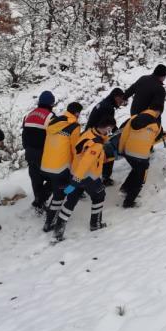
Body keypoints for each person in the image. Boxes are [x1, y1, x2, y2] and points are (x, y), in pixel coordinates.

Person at [46, 120, 115, 241]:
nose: (110, 132)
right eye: (110, 129)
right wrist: (78, 178)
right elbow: (86, 162)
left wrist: (74, 179)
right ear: (107, 127)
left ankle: (58, 231)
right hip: (87, 177)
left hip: (74, 173)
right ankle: (95, 224)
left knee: (71, 200)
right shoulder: (97, 144)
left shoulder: (88, 133)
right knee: (99, 195)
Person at [120, 98, 166, 208]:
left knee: (136, 168)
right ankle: (128, 202)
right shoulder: (157, 125)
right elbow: (152, 141)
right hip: (141, 156)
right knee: (141, 178)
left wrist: (121, 150)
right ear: (158, 112)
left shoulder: (134, 118)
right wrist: (165, 137)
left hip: (128, 152)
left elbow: (124, 135)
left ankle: (125, 188)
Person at [40, 102, 84, 232]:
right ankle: (49, 223)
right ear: (76, 113)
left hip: (46, 164)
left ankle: (49, 212)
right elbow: (75, 149)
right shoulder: (74, 126)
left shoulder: (53, 121)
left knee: (58, 190)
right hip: (60, 167)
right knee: (61, 194)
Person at [21, 91, 56, 212]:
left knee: (36, 178)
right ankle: (41, 200)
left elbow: (24, 135)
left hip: (29, 152)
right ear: (51, 103)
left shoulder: (28, 115)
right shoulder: (51, 117)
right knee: (54, 178)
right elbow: (55, 138)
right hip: (44, 154)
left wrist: (27, 149)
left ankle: (38, 200)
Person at [87, 87, 128, 184]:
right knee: (109, 151)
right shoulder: (108, 108)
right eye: (121, 99)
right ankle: (105, 178)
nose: (121, 102)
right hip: (94, 136)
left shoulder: (104, 103)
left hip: (90, 133)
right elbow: (108, 124)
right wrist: (118, 132)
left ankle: (70, 191)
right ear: (116, 98)